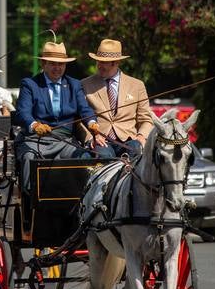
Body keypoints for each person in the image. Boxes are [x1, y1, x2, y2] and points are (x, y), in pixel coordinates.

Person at [14, 39, 102, 198]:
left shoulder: (74, 84)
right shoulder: (30, 84)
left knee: (85, 157)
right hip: (35, 140)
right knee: (29, 158)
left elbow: (84, 109)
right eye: (53, 63)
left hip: (65, 141)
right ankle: (30, 204)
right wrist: (34, 125)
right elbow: (22, 112)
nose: (58, 68)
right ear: (43, 64)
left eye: (61, 64)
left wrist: (92, 123)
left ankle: (81, 202)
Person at [81, 38, 154, 160]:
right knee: (104, 157)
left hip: (129, 141)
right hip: (100, 141)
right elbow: (79, 119)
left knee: (136, 150)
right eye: (98, 61)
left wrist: (141, 136)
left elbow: (146, 119)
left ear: (116, 62)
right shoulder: (84, 84)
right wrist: (90, 138)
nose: (99, 65)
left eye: (104, 62)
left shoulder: (137, 85)